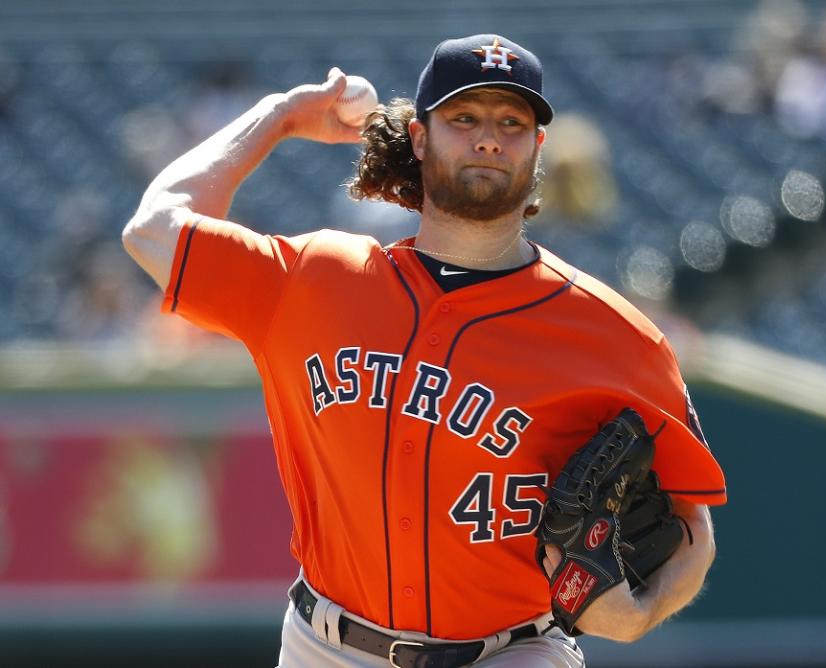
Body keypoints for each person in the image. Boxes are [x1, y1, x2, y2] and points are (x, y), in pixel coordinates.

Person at [122, 34, 727, 668]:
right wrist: (278, 117)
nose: (488, 138)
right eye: (463, 119)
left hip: (512, 652)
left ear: (537, 147)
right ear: (419, 137)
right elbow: (153, 229)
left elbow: (692, 525)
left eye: (511, 123)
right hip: (325, 647)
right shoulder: (314, 279)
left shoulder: (616, 337)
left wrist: (640, 613)